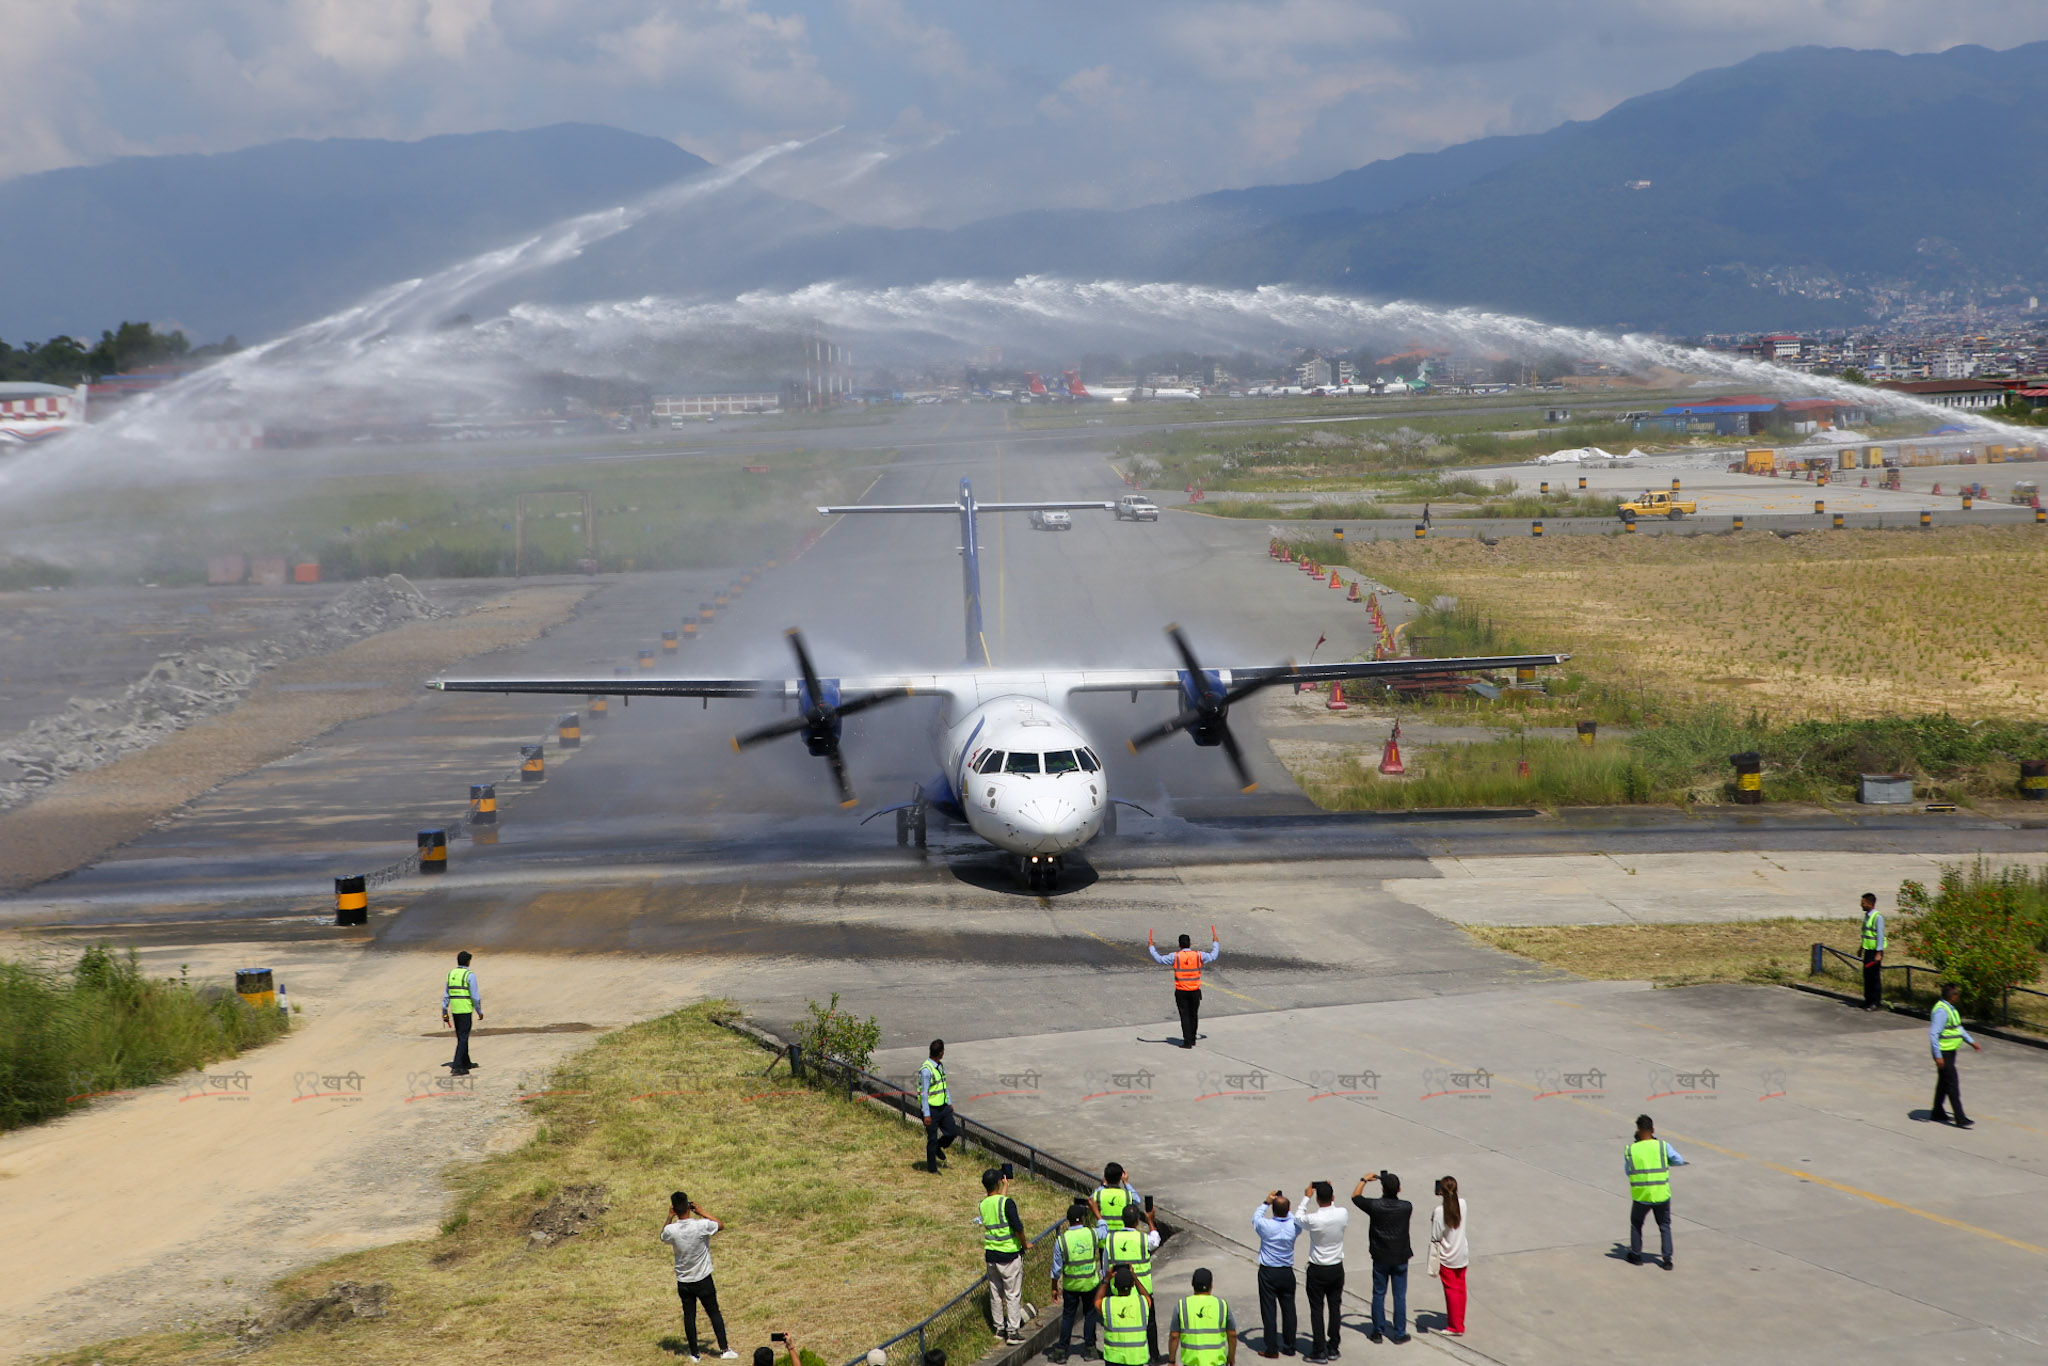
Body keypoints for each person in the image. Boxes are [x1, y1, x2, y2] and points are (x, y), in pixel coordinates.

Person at [661, 1192, 738, 1361]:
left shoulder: (671, 1230)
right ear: (689, 1207)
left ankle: (694, 1353)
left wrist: (669, 1217)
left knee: (689, 1316)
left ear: (674, 1208)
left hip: (684, 1280)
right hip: (703, 1278)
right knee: (714, 1313)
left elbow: (663, 1236)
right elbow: (720, 1225)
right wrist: (702, 1212)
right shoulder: (700, 1226)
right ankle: (724, 1349)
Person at [1350, 1172, 1411, 1344]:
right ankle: (1399, 1333)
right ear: (1399, 1189)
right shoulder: (1406, 1207)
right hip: (1400, 1256)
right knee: (1399, 1296)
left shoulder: (1375, 1206)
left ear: (1382, 1188)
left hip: (1380, 1256)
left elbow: (1356, 1197)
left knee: (1379, 1293)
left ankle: (1377, 1330)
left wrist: (1363, 1180)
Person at [1625, 1115, 1687, 1268]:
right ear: (1653, 1130)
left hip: (1642, 1195)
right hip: (1661, 1194)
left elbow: (1628, 1171)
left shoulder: (1631, 1149)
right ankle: (1667, 1260)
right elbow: (1678, 1160)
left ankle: (1637, 1256)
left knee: (1636, 1224)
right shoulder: (1662, 1146)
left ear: (1638, 1130)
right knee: (1664, 1225)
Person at [979, 1167, 1031, 1345]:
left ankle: (999, 1329)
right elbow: (1017, 1227)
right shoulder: (1007, 1203)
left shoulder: (983, 1204)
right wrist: (1025, 1244)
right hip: (1009, 1255)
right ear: (999, 1182)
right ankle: (1013, 1331)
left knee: (995, 1294)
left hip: (991, 1256)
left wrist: (1004, 1187)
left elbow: (996, 1203)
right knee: (1012, 1294)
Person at [1296, 1182, 1348, 1362]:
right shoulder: (1342, 1213)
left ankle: (1319, 1350)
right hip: (1336, 1267)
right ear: (1333, 1197)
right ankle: (1333, 1346)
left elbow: (1298, 1217)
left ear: (1317, 1199)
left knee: (1317, 1309)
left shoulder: (1314, 1219)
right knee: (1335, 1308)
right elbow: (1334, 1207)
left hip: (1318, 1269)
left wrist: (1306, 1197)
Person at [1105, 1208, 1163, 1363]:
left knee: (1120, 1323)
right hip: (1142, 1291)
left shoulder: (1110, 1240)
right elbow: (1156, 1240)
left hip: (1117, 1289)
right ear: (1137, 1221)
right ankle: (1154, 1355)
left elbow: (1105, 1265)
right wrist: (1150, 1220)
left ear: (1122, 1219)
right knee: (1149, 1323)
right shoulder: (1143, 1239)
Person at [1149, 927, 1220, 1048]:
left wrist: (1151, 947)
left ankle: (1187, 1042)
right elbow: (1214, 955)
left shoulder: (1175, 957)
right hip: (1195, 991)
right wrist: (1216, 942)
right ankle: (1192, 1039)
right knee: (1194, 1015)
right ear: (1190, 943)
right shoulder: (1198, 955)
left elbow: (1159, 959)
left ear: (1179, 945)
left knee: (1185, 1016)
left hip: (1181, 991)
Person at [1050, 1201, 1103, 1362]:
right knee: (1090, 1314)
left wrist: (1054, 1287)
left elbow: (1056, 1268)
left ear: (1069, 1220)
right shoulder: (1092, 1234)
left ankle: (1061, 1351)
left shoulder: (1062, 1240)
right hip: (1090, 1284)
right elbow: (1105, 1230)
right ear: (1082, 1218)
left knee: (1068, 1317)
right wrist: (1097, 1213)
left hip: (1070, 1286)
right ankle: (1090, 1349)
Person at [1251, 1189, 1301, 1358]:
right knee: (1289, 1310)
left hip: (1268, 1272)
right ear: (1289, 1209)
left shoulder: (1266, 1226)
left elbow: (1255, 1218)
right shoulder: (1294, 1226)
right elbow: (1294, 1217)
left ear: (1273, 1209)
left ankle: (1271, 1348)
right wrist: (1285, 1206)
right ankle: (1290, 1346)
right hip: (1286, 1272)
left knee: (1269, 1311)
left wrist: (1266, 1202)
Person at [1930, 982, 1981, 1128]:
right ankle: (1960, 1117)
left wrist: (1971, 1042)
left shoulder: (1950, 1009)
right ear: (1952, 996)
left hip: (1950, 1051)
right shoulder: (1942, 1011)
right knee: (1952, 1083)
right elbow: (1934, 1034)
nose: (1958, 996)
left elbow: (1958, 1028)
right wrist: (1938, 1056)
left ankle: (1937, 1111)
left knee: (1943, 1082)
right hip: (1943, 1052)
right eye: (1957, 993)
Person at [1168, 1267, 1237, 1366]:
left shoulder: (1182, 1305)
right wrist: (1231, 1357)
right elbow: (1232, 1335)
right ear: (1211, 1285)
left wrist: (1171, 1361)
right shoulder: (1222, 1305)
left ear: (1192, 1284)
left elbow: (1174, 1336)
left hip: (1191, 1363)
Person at [1426, 1176, 1467, 1338]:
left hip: (1447, 1255)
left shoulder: (1439, 1211)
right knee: (1461, 1289)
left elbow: (1436, 1235)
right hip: (1462, 1252)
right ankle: (1459, 1321)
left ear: (1440, 1192)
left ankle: (1454, 1326)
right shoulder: (1463, 1204)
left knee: (1450, 1291)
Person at [1097, 1265, 1154, 1366]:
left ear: (1114, 1285)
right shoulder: (1142, 1302)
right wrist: (1134, 1277)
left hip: (1114, 1358)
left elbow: (1097, 1300)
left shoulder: (1107, 1304)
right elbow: (1147, 1296)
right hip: (1136, 1357)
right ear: (1132, 1285)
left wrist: (1106, 1279)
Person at [920, 1039, 958, 1173]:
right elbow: (924, 1094)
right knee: (932, 1139)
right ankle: (932, 1169)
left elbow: (944, 1085)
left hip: (942, 1106)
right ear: (940, 1053)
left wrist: (949, 1101)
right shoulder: (926, 1070)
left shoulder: (940, 1066)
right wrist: (926, 1114)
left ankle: (938, 1147)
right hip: (931, 1109)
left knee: (952, 1132)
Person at [441, 950, 481, 1073]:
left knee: (461, 1036)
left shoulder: (451, 974)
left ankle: (466, 1062)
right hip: (465, 1009)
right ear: (468, 962)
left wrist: (444, 1010)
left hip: (455, 1010)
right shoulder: (469, 975)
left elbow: (446, 994)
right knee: (463, 1037)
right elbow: (475, 996)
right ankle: (458, 1067)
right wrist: (479, 1011)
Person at [1092, 1163, 1141, 1229]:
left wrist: (1104, 1185)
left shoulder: (1099, 1194)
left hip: (1104, 1234)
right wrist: (1126, 1182)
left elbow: (1090, 1200)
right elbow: (1137, 1200)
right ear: (1121, 1177)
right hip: (1120, 1235)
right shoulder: (1127, 1195)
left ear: (1105, 1177)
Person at [1859, 892, 1886, 1010]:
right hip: (1868, 951)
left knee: (1874, 977)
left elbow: (1880, 935)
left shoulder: (1877, 917)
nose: (1861, 905)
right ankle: (1868, 1000)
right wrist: (1861, 948)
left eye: (1863, 903)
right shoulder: (1867, 916)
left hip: (1875, 952)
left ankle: (1875, 1002)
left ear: (1869, 903)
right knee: (1867, 976)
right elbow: (1866, 934)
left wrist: (1879, 953)